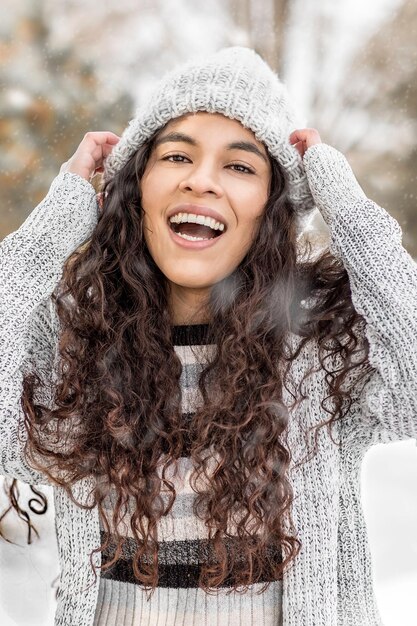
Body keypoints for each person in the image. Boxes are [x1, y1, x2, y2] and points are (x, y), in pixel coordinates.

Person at [0, 46, 416, 626]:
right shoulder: (72, 339)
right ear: (136, 187)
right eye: (176, 156)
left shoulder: (319, 342)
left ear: (272, 208)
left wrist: (350, 212)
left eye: (240, 166)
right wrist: (43, 241)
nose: (202, 181)